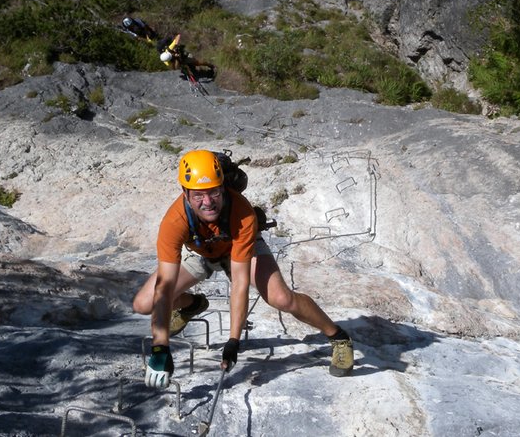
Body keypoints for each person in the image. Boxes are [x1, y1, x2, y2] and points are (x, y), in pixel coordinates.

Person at [132, 150, 354, 388]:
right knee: (144, 304)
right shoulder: (174, 222)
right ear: (185, 193)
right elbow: (164, 288)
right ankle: (192, 305)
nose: (208, 202)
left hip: (238, 249)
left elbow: (238, 283)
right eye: (198, 195)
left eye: (214, 192)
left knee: (282, 298)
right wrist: (160, 349)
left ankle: (338, 337)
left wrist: (233, 340)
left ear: (223, 187)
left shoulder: (242, 213)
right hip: (201, 250)